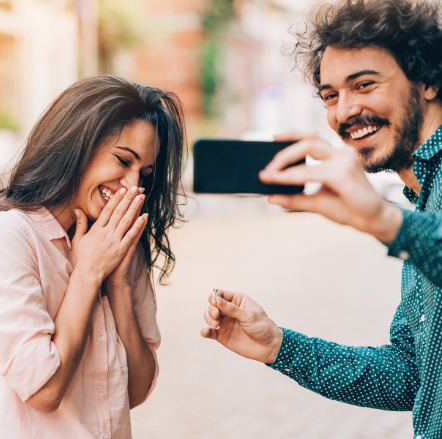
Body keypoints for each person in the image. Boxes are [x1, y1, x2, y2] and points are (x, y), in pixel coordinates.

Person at [201, 0, 442, 437]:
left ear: (427, 79)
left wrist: (386, 222)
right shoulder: (420, 202)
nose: (344, 112)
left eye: (364, 84)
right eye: (331, 95)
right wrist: (278, 345)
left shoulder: (405, 220)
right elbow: (410, 375)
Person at [0, 75, 185, 439]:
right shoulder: (8, 237)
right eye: (122, 160)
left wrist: (116, 282)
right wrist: (88, 274)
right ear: (77, 146)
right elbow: (44, 389)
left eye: (145, 175)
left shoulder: (122, 246)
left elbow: (137, 389)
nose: (133, 187)